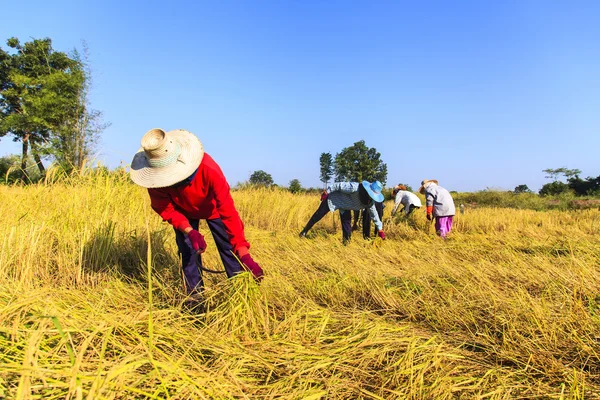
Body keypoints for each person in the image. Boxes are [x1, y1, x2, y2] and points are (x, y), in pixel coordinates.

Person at [129, 128, 264, 303]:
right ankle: (195, 299)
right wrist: (189, 231)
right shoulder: (156, 180)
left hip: (212, 209)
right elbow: (165, 209)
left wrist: (244, 254)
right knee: (188, 251)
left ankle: (241, 296)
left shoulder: (209, 169)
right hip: (183, 213)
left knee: (229, 249)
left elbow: (229, 213)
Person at [299, 181, 386, 243]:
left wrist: (380, 229)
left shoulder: (370, 203)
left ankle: (346, 243)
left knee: (347, 224)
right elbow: (338, 185)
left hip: (346, 207)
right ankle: (304, 231)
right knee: (318, 215)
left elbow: (374, 215)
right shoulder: (354, 188)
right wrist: (326, 192)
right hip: (334, 199)